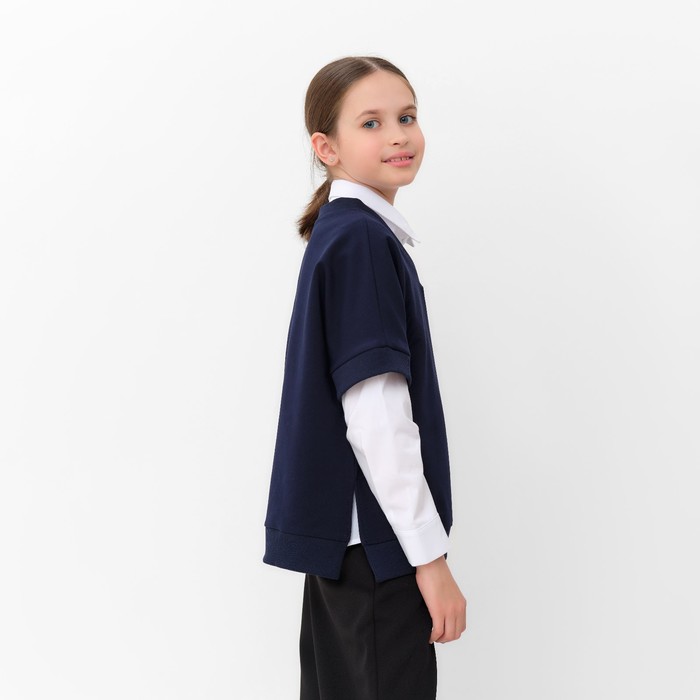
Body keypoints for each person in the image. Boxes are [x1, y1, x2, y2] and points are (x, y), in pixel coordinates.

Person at [263, 55, 467, 700]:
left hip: (347, 554)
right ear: (327, 148)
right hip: (378, 555)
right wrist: (430, 561)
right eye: (371, 123)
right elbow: (376, 415)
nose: (399, 136)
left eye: (407, 117)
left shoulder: (345, 232)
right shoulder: (361, 242)